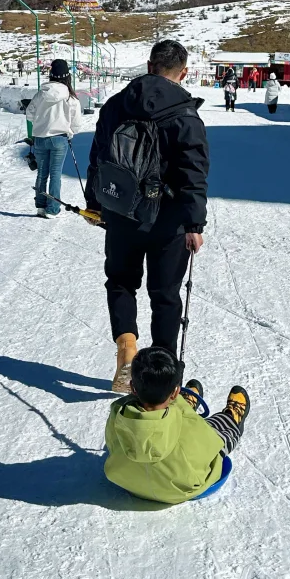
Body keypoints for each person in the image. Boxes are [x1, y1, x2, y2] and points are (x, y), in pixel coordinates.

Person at [86, 38, 208, 392]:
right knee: (165, 293)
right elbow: (194, 174)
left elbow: (98, 159)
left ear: (149, 65)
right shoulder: (186, 115)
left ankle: (126, 347)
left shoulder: (115, 105)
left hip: (122, 213)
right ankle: (163, 375)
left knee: (121, 281)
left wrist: (96, 203)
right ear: (182, 72)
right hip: (168, 220)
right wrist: (194, 224)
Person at [104, 345, 251, 503]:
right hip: (178, 490)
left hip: (128, 481)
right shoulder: (189, 428)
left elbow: (113, 444)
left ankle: (181, 404)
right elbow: (211, 448)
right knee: (218, 433)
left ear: (133, 387)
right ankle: (231, 418)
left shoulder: (118, 412)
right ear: (175, 392)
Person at [25, 58, 83, 217]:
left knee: (42, 173)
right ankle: (52, 209)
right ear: (67, 76)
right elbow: (76, 123)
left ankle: (40, 206)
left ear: (51, 75)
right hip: (59, 139)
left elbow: (29, 114)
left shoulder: (41, 94)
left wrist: (41, 121)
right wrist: (69, 131)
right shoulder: (70, 98)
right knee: (55, 173)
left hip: (40, 138)